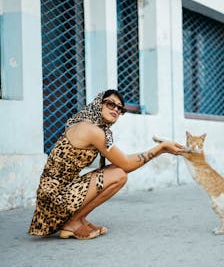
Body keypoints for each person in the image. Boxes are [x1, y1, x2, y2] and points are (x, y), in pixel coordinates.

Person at [28, 90, 184, 240]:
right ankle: (72, 223)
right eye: (110, 104)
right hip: (53, 201)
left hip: (54, 197)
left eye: (120, 108)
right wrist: (161, 148)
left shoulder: (89, 125)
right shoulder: (92, 130)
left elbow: (123, 160)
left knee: (117, 171)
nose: (116, 110)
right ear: (98, 104)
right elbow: (126, 164)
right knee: (119, 175)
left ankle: (79, 219)